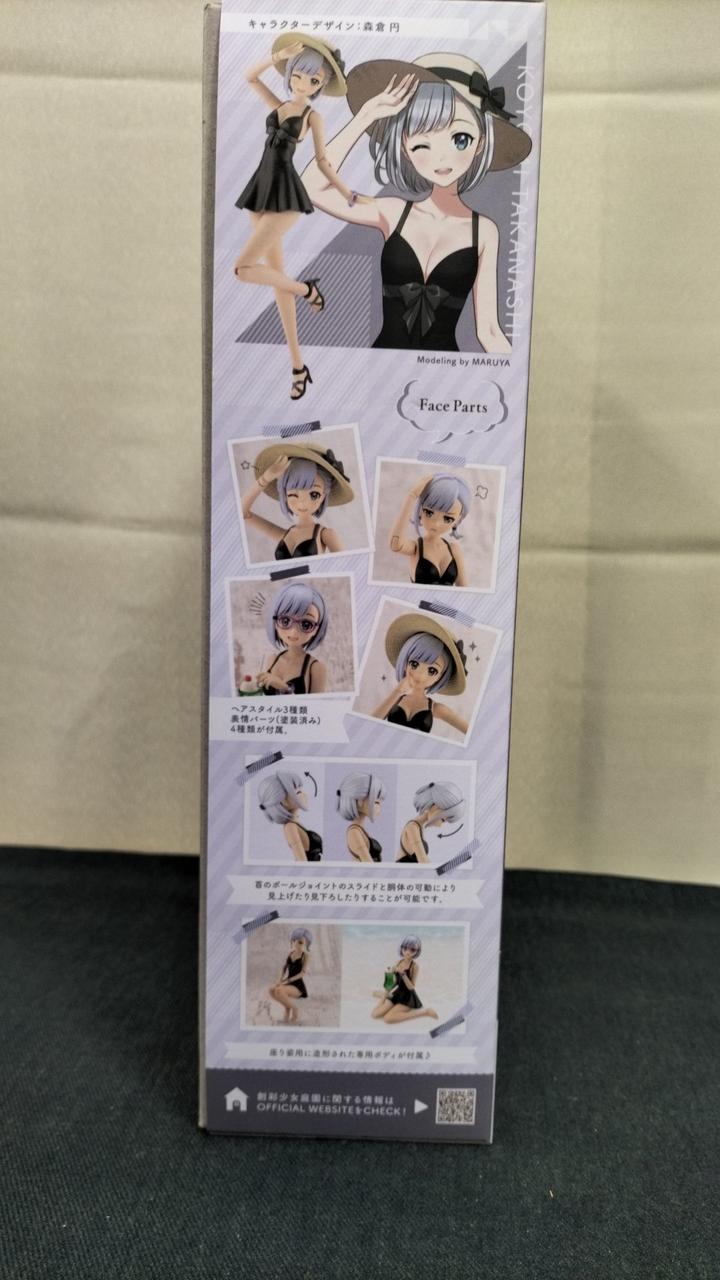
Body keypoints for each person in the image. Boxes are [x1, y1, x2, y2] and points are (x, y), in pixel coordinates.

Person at [302, 53, 531, 352]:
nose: (441, 158)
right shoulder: (392, 212)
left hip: (445, 371)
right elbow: (312, 187)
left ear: (481, 143)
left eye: (460, 139)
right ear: (404, 147)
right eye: (422, 144)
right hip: (380, 365)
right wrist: (365, 118)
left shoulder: (484, 231)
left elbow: (488, 331)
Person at [234, 35, 371, 398]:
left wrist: (346, 192)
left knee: (243, 269)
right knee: (278, 283)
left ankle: (307, 289)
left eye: (314, 80)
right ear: (290, 73)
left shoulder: (313, 116)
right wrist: (277, 56)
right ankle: (298, 367)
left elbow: (323, 162)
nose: (304, 84)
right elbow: (249, 77)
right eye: (298, 74)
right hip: (260, 190)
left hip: (286, 193)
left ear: (320, 85)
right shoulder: (278, 106)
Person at [242, 440, 353, 560]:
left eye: (314, 494)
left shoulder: (326, 535)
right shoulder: (285, 535)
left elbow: (344, 565)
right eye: (293, 495)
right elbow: (243, 514)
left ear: (323, 496)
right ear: (284, 495)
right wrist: (264, 479)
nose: (302, 502)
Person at [372, 612, 468, 737]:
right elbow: (369, 724)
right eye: (414, 664)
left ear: (440, 677)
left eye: (432, 671)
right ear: (405, 663)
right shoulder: (395, 698)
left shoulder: (436, 709)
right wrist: (397, 691)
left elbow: (471, 731)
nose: (420, 675)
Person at [389, 472, 471, 586]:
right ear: (420, 510)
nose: (436, 524)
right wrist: (411, 496)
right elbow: (395, 544)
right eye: (429, 512)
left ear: (457, 520)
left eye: (448, 519)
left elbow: (464, 588)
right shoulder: (416, 548)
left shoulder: (454, 550)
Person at [256, 582, 328, 695]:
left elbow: (317, 705)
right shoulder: (272, 660)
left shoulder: (316, 668)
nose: (293, 631)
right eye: (285, 621)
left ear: (316, 629)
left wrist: (284, 688)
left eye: (306, 624)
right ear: (275, 622)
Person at [257, 770, 322, 861]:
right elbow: (301, 861)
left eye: (301, 790)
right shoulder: (290, 827)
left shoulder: (295, 823)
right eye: (298, 792)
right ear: (284, 801)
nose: (305, 794)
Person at [371, 936, 438, 1023]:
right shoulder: (398, 962)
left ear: (417, 951)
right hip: (397, 993)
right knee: (375, 1014)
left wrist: (403, 974)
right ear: (401, 948)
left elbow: (411, 987)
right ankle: (384, 995)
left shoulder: (414, 966)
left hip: (408, 997)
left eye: (412, 950)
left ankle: (425, 1012)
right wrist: (386, 989)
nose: (407, 952)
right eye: (405, 948)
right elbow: (395, 983)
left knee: (388, 1019)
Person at [396, 781, 465, 864]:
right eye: (442, 820)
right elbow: (423, 861)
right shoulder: (412, 827)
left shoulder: (420, 827)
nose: (440, 825)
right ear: (435, 808)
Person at [336, 772, 386, 862]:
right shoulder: (354, 832)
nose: (379, 807)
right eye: (376, 802)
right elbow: (368, 864)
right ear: (360, 801)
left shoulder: (359, 830)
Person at [268, 928, 312, 1024]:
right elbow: (283, 968)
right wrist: (279, 980)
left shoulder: (305, 955)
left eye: (304, 943)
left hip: (298, 986)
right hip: (288, 983)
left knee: (279, 991)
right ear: (293, 941)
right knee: (271, 990)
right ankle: (287, 1010)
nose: (302, 945)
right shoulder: (290, 953)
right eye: (299, 942)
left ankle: (294, 1009)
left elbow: (302, 974)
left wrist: (287, 981)